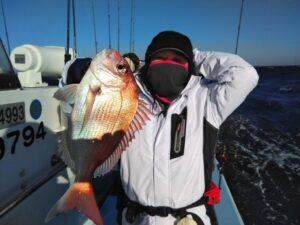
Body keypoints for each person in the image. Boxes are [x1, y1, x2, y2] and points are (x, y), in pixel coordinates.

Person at [60, 30, 259, 225]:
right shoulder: (129, 93)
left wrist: (195, 56)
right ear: (148, 63)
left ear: (190, 65)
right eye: (161, 58)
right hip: (134, 217)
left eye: (178, 60)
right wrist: (84, 68)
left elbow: (246, 75)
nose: (169, 64)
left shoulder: (206, 98)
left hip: (188, 218)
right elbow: (66, 77)